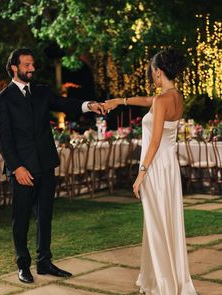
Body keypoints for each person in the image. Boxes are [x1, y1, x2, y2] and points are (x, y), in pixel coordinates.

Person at [0, 48, 104, 284]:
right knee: (21, 219)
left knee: (45, 217)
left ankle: (44, 262)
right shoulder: (2, 100)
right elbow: (3, 139)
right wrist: (17, 168)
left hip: (46, 166)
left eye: (33, 65)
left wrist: (89, 105)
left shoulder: (42, 92)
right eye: (27, 65)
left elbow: (66, 103)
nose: (32, 69)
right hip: (22, 170)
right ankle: (23, 264)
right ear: (14, 67)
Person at [104, 49, 197, 294]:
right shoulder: (175, 96)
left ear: (157, 71)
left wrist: (140, 174)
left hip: (155, 167)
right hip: (170, 167)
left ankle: (164, 285)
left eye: (152, 72)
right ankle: (162, 278)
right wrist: (120, 101)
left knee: (157, 223)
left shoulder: (162, 100)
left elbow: (154, 142)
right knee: (165, 221)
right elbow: (148, 101)